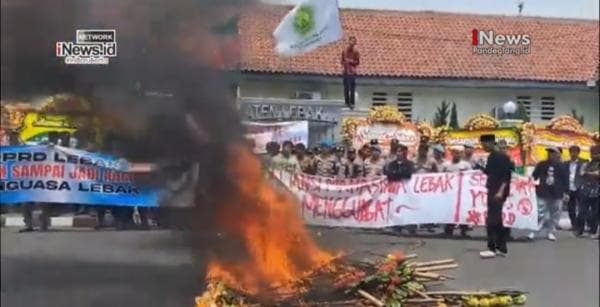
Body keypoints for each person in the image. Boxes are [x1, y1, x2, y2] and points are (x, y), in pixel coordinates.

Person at [479, 135, 513, 258]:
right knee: (496, 220)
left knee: (492, 221)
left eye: (484, 144)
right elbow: (488, 172)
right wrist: (479, 167)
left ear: (490, 143)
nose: (483, 147)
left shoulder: (502, 157)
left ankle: (492, 248)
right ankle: (501, 248)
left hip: (498, 191)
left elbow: (506, 176)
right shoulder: (491, 157)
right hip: (492, 189)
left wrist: (500, 191)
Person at [528, 147, 569, 242]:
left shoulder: (562, 166)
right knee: (539, 213)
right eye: (550, 152)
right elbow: (534, 176)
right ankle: (534, 231)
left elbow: (566, 180)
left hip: (557, 193)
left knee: (555, 214)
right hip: (543, 192)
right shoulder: (542, 164)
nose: (551, 154)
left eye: (554, 152)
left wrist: (566, 193)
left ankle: (551, 232)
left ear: (559, 154)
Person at [441, 146, 472, 237]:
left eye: (458, 153)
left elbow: (471, 177)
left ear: (461, 154)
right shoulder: (446, 165)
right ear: (451, 154)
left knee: (463, 211)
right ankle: (448, 230)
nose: (456, 155)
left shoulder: (466, 165)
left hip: (463, 192)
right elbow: (440, 177)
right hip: (450, 192)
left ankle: (464, 230)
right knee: (449, 210)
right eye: (454, 152)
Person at [576, 145, 600, 239]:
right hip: (585, 190)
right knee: (582, 211)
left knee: (595, 213)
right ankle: (580, 230)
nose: (594, 155)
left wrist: (588, 174)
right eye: (593, 153)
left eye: (596, 153)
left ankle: (593, 231)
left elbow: (597, 174)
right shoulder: (587, 163)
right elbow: (581, 173)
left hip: (598, 192)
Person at [564, 145, 587, 232]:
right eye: (572, 152)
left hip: (580, 188)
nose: (573, 154)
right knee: (571, 208)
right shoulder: (565, 163)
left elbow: (585, 174)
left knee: (582, 208)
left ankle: (581, 225)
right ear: (569, 153)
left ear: (578, 153)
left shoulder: (584, 162)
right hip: (569, 188)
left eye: (575, 152)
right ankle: (574, 225)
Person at [341, 36, 360, 109]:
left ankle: (352, 103)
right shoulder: (344, 51)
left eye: (354, 42)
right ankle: (347, 103)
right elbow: (342, 61)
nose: (352, 43)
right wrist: (345, 63)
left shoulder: (356, 52)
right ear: (349, 41)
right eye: (351, 41)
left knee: (352, 89)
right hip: (346, 71)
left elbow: (357, 62)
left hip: (352, 72)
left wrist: (350, 61)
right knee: (346, 88)